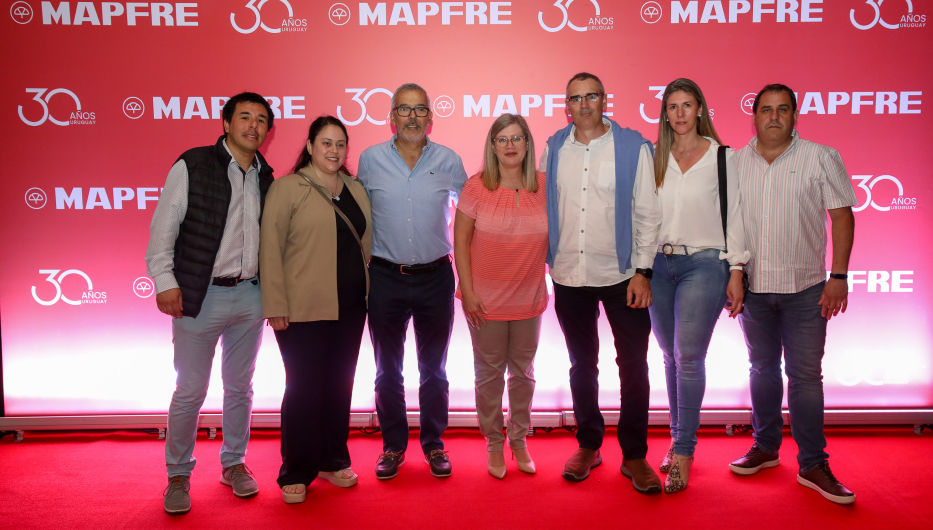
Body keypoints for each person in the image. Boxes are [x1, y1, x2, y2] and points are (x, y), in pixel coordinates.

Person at [145, 92, 274, 514]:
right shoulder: (193, 165)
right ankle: (178, 474)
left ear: (268, 131)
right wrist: (165, 281)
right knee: (190, 391)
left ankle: (234, 464)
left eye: (260, 120)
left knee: (240, 389)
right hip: (200, 296)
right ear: (225, 123)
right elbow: (163, 228)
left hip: (251, 297)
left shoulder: (266, 175)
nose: (253, 126)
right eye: (244, 117)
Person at [730, 84, 857, 505]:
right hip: (755, 289)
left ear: (795, 115)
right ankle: (765, 447)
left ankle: (813, 463)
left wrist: (838, 275)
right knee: (761, 370)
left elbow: (842, 216)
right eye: (766, 110)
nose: (773, 117)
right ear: (754, 115)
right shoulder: (735, 162)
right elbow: (729, 226)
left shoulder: (821, 157)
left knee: (805, 378)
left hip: (807, 290)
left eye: (782, 110)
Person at [540, 72, 662, 492]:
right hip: (570, 276)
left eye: (591, 96)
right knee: (581, 364)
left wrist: (644, 272)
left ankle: (634, 455)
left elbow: (647, 212)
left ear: (604, 100)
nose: (584, 104)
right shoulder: (554, 148)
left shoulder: (632, 147)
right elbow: (545, 208)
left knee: (633, 366)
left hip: (622, 276)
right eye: (575, 98)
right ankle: (589, 445)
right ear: (566, 105)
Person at [357, 82, 468, 479]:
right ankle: (392, 446)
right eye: (404, 110)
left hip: (436, 277)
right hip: (384, 276)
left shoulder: (449, 160)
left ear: (431, 118)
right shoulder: (369, 160)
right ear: (391, 118)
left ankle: (434, 443)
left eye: (420, 109)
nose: (412, 117)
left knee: (434, 369)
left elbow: (473, 211)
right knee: (387, 369)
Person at [260, 116, 372, 504]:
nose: (334, 151)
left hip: (351, 307)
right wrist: (274, 303)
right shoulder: (288, 188)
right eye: (326, 143)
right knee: (304, 388)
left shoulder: (355, 188)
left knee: (339, 385)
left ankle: (332, 459)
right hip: (301, 308)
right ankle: (296, 469)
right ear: (309, 146)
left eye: (340, 144)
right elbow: (269, 249)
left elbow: (365, 245)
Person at [648, 78, 749, 493]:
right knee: (671, 358)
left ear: (700, 109)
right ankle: (676, 438)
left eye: (687, 105)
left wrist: (738, 269)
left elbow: (737, 215)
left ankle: (685, 452)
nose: (680, 113)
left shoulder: (724, 157)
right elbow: (642, 216)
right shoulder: (653, 158)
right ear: (665, 114)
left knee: (689, 357)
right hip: (658, 264)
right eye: (672, 106)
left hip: (706, 264)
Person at [453, 114, 548, 479]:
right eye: (503, 139)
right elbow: (460, 241)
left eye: (517, 138)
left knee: (523, 374)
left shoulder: (543, 185)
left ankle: (519, 439)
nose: (510, 146)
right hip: (484, 301)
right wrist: (469, 291)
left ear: (527, 144)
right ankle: (494, 442)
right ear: (492, 146)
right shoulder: (476, 187)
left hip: (528, 299)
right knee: (489, 375)